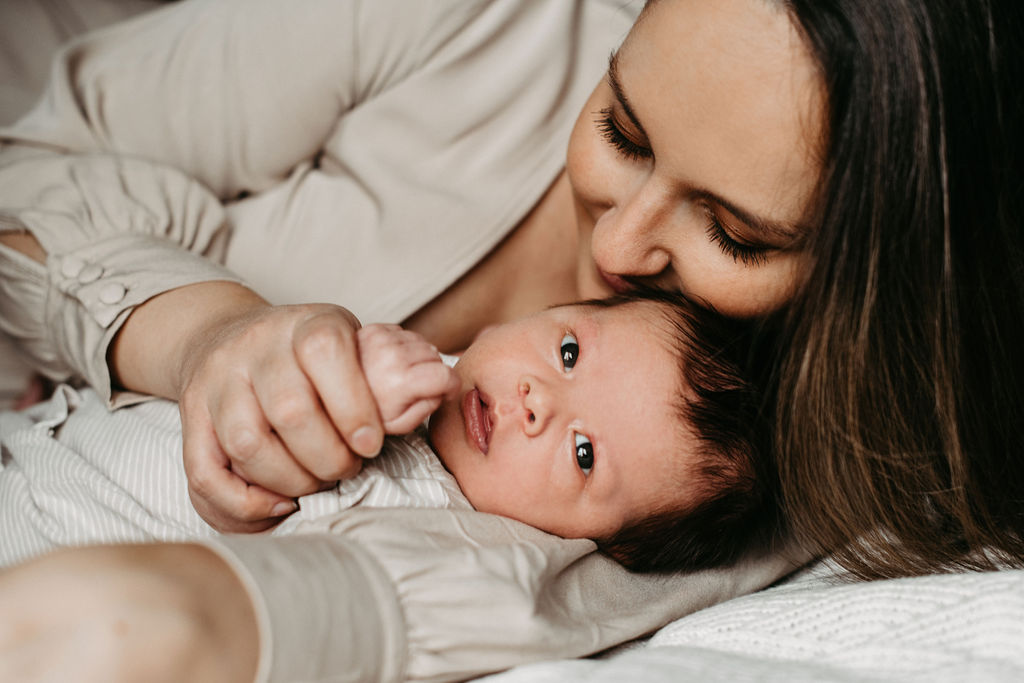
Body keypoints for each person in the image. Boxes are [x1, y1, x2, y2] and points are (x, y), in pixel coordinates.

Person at [0, 0, 1020, 677]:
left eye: (735, 233)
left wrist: (217, 618)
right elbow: (29, 164)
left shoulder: (783, 439)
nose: (618, 244)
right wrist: (201, 333)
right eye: (620, 128)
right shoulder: (482, 17)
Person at [2, 292, 778, 574]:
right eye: (568, 351)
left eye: (584, 453)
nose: (537, 399)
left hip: (47, 535)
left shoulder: (454, 543)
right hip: (49, 427)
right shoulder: (413, 360)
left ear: (595, 546)